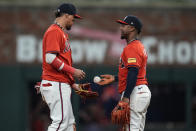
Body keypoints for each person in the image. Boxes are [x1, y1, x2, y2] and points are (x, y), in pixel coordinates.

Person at [98, 15, 151, 131]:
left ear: (132, 28)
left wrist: (126, 98)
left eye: (123, 25)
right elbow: (132, 72)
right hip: (139, 90)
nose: (121, 28)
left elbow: (133, 73)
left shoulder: (132, 47)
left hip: (135, 92)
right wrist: (115, 78)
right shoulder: (136, 46)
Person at [40, 3, 85, 131]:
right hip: (55, 83)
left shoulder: (61, 32)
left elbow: (59, 59)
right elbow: (50, 58)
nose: (73, 20)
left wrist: (73, 84)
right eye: (73, 17)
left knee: (70, 125)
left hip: (59, 83)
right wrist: (73, 71)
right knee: (61, 123)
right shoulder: (54, 31)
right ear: (66, 15)